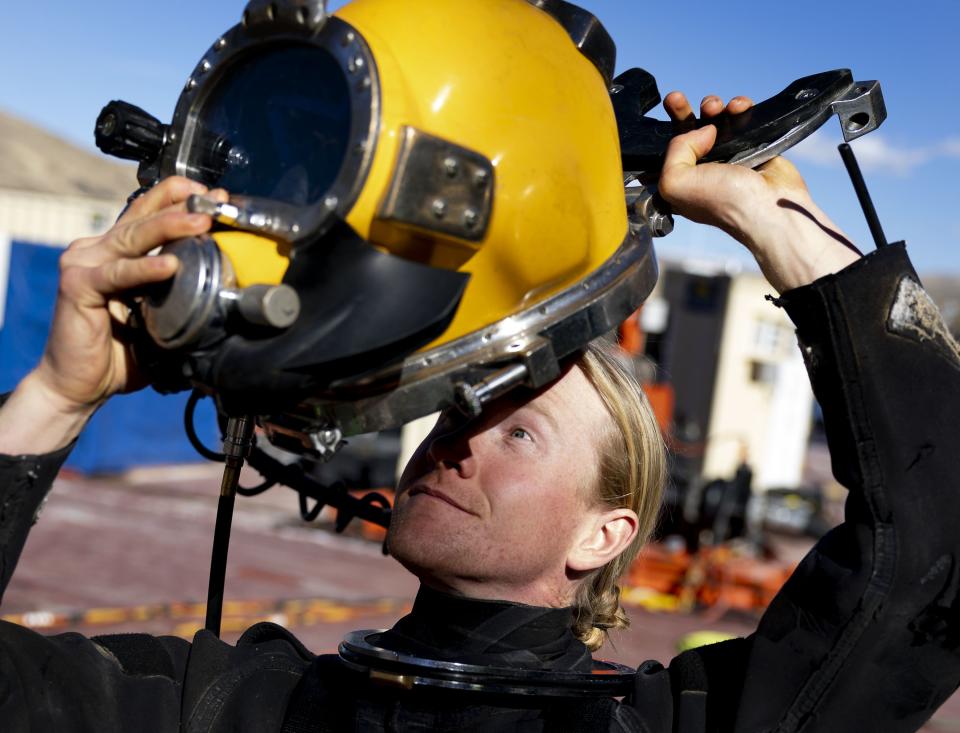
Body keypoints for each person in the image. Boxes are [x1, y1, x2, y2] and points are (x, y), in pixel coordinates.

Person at [0, 88, 958, 733]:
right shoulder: (233, 702)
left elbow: (935, 557)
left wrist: (782, 231)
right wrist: (55, 395)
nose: (456, 444)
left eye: (521, 432)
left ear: (605, 532)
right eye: (463, 414)